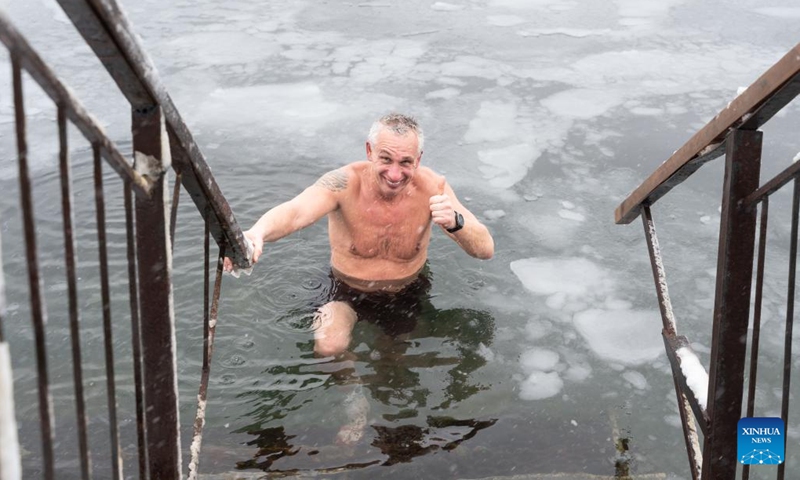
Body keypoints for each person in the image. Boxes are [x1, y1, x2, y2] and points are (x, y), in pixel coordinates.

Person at [224, 113, 494, 358]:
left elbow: (485, 249)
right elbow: (296, 211)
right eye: (386, 159)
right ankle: (352, 395)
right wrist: (257, 233)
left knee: (392, 361)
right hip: (343, 288)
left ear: (418, 159)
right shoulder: (343, 183)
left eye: (406, 162)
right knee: (329, 347)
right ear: (369, 151)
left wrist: (456, 223)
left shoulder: (434, 189)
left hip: (406, 291)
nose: (395, 173)